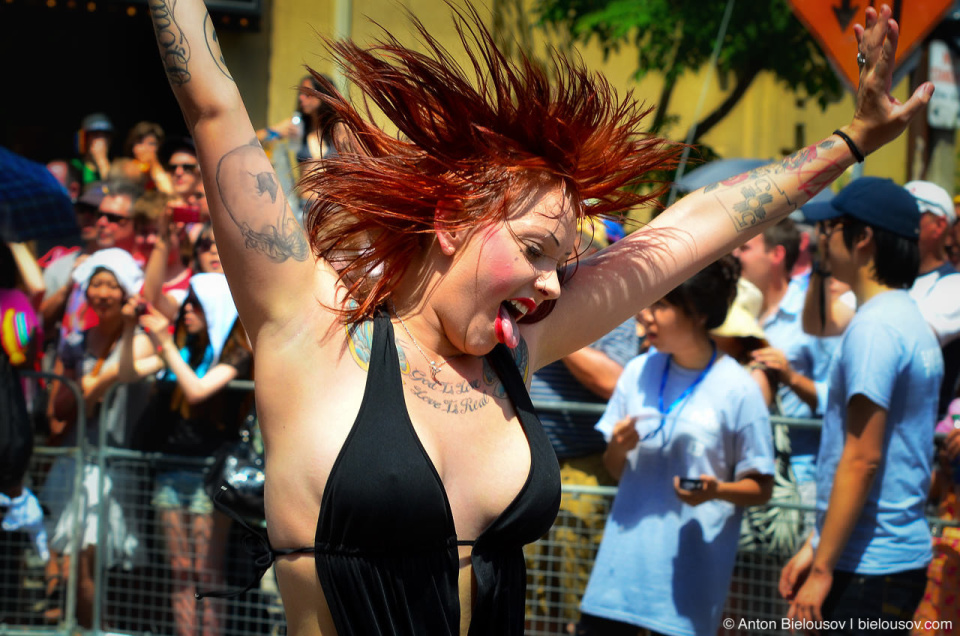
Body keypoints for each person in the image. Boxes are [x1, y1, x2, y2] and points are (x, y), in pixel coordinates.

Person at [147, 1, 931, 633]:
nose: (553, 286)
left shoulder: (513, 354)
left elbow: (697, 227)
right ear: (454, 218)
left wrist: (852, 141)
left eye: (564, 260)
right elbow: (215, 105)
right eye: (534, 249)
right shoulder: (307, 330)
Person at [575, 255, 774, 636]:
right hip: (616, 584)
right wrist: (618, 447)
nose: (645, 315)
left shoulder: (739, 388)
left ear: (698, 313)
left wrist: (718, 491)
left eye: (661, 305)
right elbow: (617, 469)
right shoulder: (638, 370)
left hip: (687, 595)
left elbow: (761, 487)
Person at [779, 177, 944, 633]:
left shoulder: (875, 330)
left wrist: (823, 569)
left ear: (863, 238)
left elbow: (862, 458)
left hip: (869, 567)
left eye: (829, 228)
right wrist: (817, 545)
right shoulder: (905, 317)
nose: (818, 239)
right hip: (882, 556)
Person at [119, 273, 252, 636]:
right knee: (179, 570)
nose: (186, 311)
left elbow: (196, 391)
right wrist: (132, 329)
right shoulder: (187, 348)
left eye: (196, 304)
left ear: (216, 307)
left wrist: (164, 342)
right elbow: (129, 371)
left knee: (207, 572)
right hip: (171, 469)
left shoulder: (238, 351)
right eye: (187, 303)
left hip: (211, 475)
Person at [526, 221, 638, 628]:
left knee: (575, 576)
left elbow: (613, 381)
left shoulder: (615, 305)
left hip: (583, 464)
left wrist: (555, 329)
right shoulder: (525, 296)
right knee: (526, 580)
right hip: (525, 460)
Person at [41, 248, 157, 628]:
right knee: (78, 560)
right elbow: (61, 407)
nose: (102, 293)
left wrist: (91, 388)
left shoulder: (143, 339)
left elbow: (99, 388)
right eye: (96, 284)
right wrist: (82, 391)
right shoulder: (75, 342)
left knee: (121, 564)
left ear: (126, 291)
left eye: (111, 285)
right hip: (79, 459)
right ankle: (89, 627)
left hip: (120, 462)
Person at [903, 180, 960, 417]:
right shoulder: (888, 278)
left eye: (912, 215)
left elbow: (906, 344)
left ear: (939, 225)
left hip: (924, 439)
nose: (900, 221)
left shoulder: (954, 286)